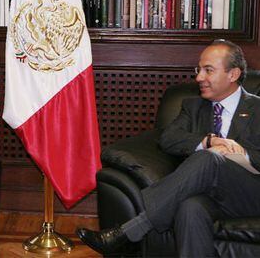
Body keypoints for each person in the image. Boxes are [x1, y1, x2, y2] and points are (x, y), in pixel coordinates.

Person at [76, 39, 260, 257]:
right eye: (198, 70)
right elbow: (169, 139)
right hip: (209, 195)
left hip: (250, 193)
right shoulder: (193, 107)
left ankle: (130, 232)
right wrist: (208, 141)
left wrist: (237, 151)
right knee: (190, 208)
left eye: (208, 70)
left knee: (211, 158)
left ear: (233, 74)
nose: (199, 77)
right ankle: (133, 232)